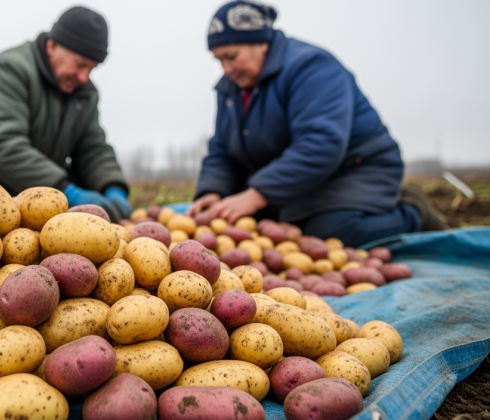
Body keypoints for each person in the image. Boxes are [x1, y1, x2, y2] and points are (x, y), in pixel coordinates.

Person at [186, 1, 445, 247]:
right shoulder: (231, 88)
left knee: (327, 231)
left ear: (262, 43)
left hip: (357, 169)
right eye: (219, 60)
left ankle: (413, 212)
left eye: (231, 56)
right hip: (292, 178)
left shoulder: (312, 68)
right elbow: (222, 149)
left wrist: (255, 195)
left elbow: (321, 143)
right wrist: (213, 191)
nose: (226, 69)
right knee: (249, 226)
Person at [0, 6, 132, 221]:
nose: (84, 77)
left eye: (92, 68)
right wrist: (67, 192)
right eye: (80, 64)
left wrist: (113, 187)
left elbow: (93, 149)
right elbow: (4, 146)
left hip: (31, 188)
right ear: (52, 46)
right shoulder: (9, 70)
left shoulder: (84, 94)